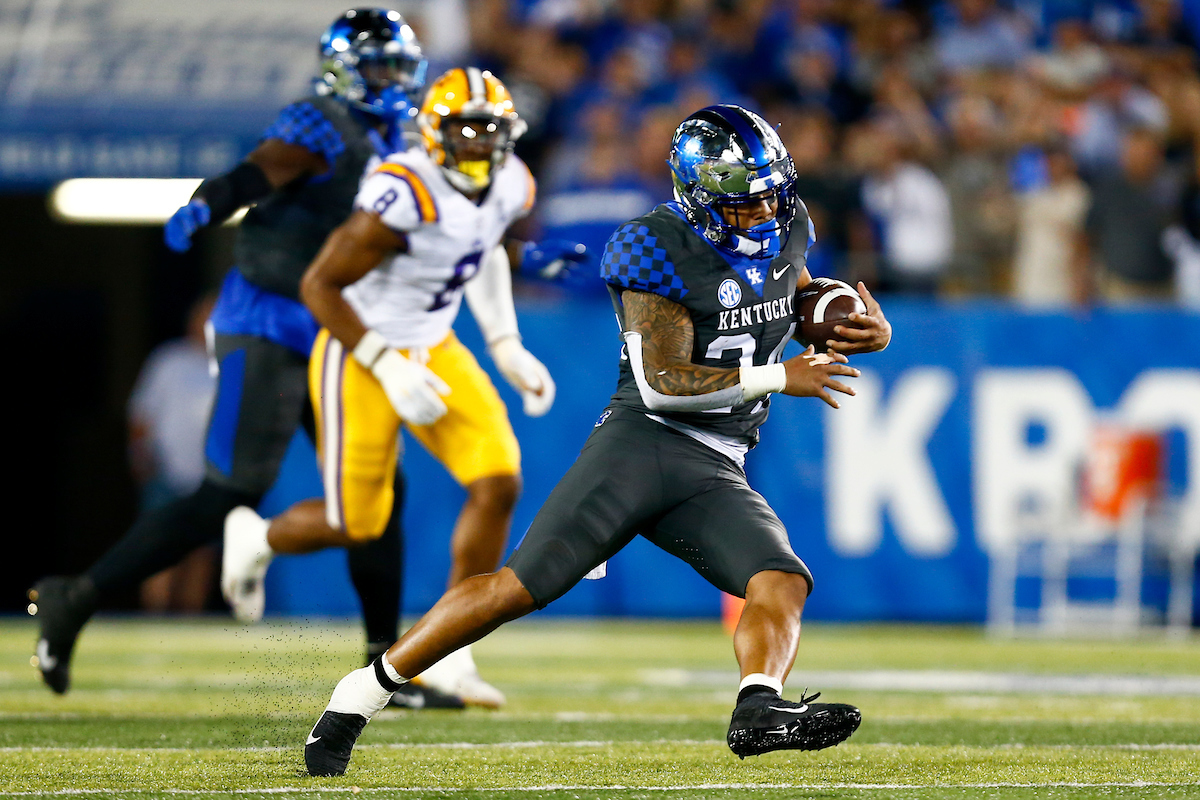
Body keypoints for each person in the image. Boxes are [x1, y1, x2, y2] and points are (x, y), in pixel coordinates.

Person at [302, 104, 892, 777]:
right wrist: (779, 376)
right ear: (698, 196)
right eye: (744, 201)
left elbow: (795, 292)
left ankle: (758, 706)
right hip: (642, 446)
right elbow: (662, 383)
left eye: (771, 195)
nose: (764, 213)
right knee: (514, 591)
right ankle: (360, 694)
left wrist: (856, 325)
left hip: (717, 462)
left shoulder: (788, 226)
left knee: (781, 579)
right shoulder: (655, 245)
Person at [27, 8, 461, 709]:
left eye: (398, 67)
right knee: (228, 493)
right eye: (378, 66)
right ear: (342, 68)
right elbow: (262, 168)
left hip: (334, 330)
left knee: (379, 493)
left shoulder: (395, 137)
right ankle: (75, 595)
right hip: (268, 322)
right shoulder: (320, 121)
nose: (391, 80)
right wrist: (212, 201)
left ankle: (386, 671)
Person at [221, 67, 560, 709]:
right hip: (358, 350)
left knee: (499, 480)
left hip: (435, 344)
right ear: (434, 131)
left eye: (490, 129)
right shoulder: (405, 190)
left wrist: (505, 344)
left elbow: (486, 248)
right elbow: (319, 286)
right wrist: (387, 363)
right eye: (465, 128)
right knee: (357, 522)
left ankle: (451, 648)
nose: (479, 142)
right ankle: (257, 538)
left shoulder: (511, 181)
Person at [127, 293, 219, 612]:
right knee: (160, 548)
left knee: (201, 552)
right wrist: (140, 458)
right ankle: (154, 617)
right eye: (205, 317)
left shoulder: (233, 363)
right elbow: (141, 414)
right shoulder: (169, 360)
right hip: (166, 473)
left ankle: (190, 619)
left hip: (209, 478)